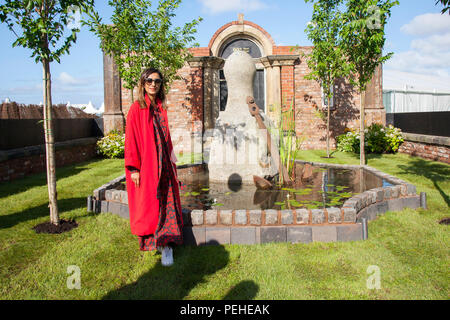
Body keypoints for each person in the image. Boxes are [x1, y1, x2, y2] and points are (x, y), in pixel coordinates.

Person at [124, 67, 183, 266]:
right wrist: (133, 168)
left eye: (157, 81)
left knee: (167, 203)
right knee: (149, 205)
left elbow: (166, 138)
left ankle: (167, 245)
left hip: (164, 164)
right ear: (142, 83)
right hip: (148, 165)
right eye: (149, 80)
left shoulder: (161, 107)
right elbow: (131, 140)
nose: (153, 84)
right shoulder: (136, 108)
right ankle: (154, 241)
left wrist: (172, 160)